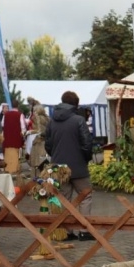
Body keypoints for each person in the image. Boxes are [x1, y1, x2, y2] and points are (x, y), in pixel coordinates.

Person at [44, 91, 95, 240]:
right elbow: (87, 143)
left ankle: (66, 232)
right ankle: (85, 231)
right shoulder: (78, 120)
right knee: (85, 196)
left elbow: (48, 145)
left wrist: (56, 156)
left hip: (59, 168)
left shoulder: (51, 122)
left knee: (63, 199)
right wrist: (85, 159)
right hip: (78, 166)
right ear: (75, 104)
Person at [2, 103, 27, 175]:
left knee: (8, 155)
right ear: (18, 106)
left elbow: (2, 125)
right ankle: (14, 170)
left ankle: (7, 169)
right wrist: (23, 136)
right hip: (16, 139)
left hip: (7, 138)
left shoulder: (6, 115)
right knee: (15, 155)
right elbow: (23, 128)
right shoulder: (20, 115)